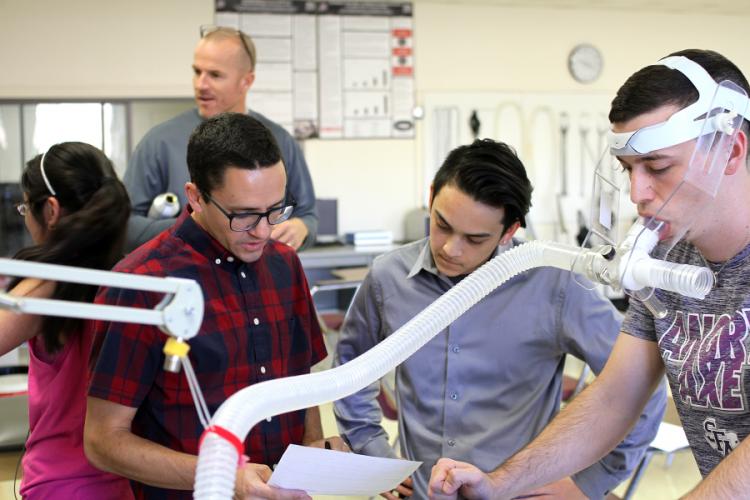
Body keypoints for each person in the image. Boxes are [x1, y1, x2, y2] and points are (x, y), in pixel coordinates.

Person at [429, 49, 750, 499]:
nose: (637, 193)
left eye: (658, 167)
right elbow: (614, 398)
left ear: (730, 151)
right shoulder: (666, 259)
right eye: (627, 169)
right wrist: (500, 483)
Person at [333, 138, 666, 499]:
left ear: (509, 231)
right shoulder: (389, 277)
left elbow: (642, 389)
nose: (450, 248)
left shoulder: (554, 285)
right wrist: (375, 453)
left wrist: (589, 483)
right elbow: (349, 372)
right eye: (442, 224)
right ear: (431, 197)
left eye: (474, 239)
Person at [84, 113, 345, 500]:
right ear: (195, 196)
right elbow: (103, 441)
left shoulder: (285, 265)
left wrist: (315, 447)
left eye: (275, 210)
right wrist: (225, 475)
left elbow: (301, 382)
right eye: (244, 215)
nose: (263, 231)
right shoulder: (143, 284)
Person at [0, 143, 132, 498]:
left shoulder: (48, 287)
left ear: (51, 210)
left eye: (25, 208)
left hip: (61, 484)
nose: (25, 219)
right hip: (126, 480)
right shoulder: (132, 279)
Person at [124, 25, 317, 252]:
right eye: (197, 72)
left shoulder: (279, 141)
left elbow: (308, 216)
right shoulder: (159, 142)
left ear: (246, 81)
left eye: (215, 75)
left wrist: (301, 227)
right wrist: (199, 227)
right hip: (186, 270)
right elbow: (125, 226)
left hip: (258, 272)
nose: (201, 85)